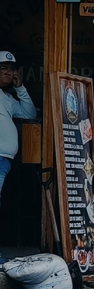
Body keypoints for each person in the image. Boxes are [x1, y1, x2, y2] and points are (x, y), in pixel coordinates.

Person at [0, 51, 37, 202]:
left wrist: (20, 88)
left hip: (4, 160)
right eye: (3, 67)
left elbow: (29, 114)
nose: (9, 72)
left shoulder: (7, 98)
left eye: (11, 68)